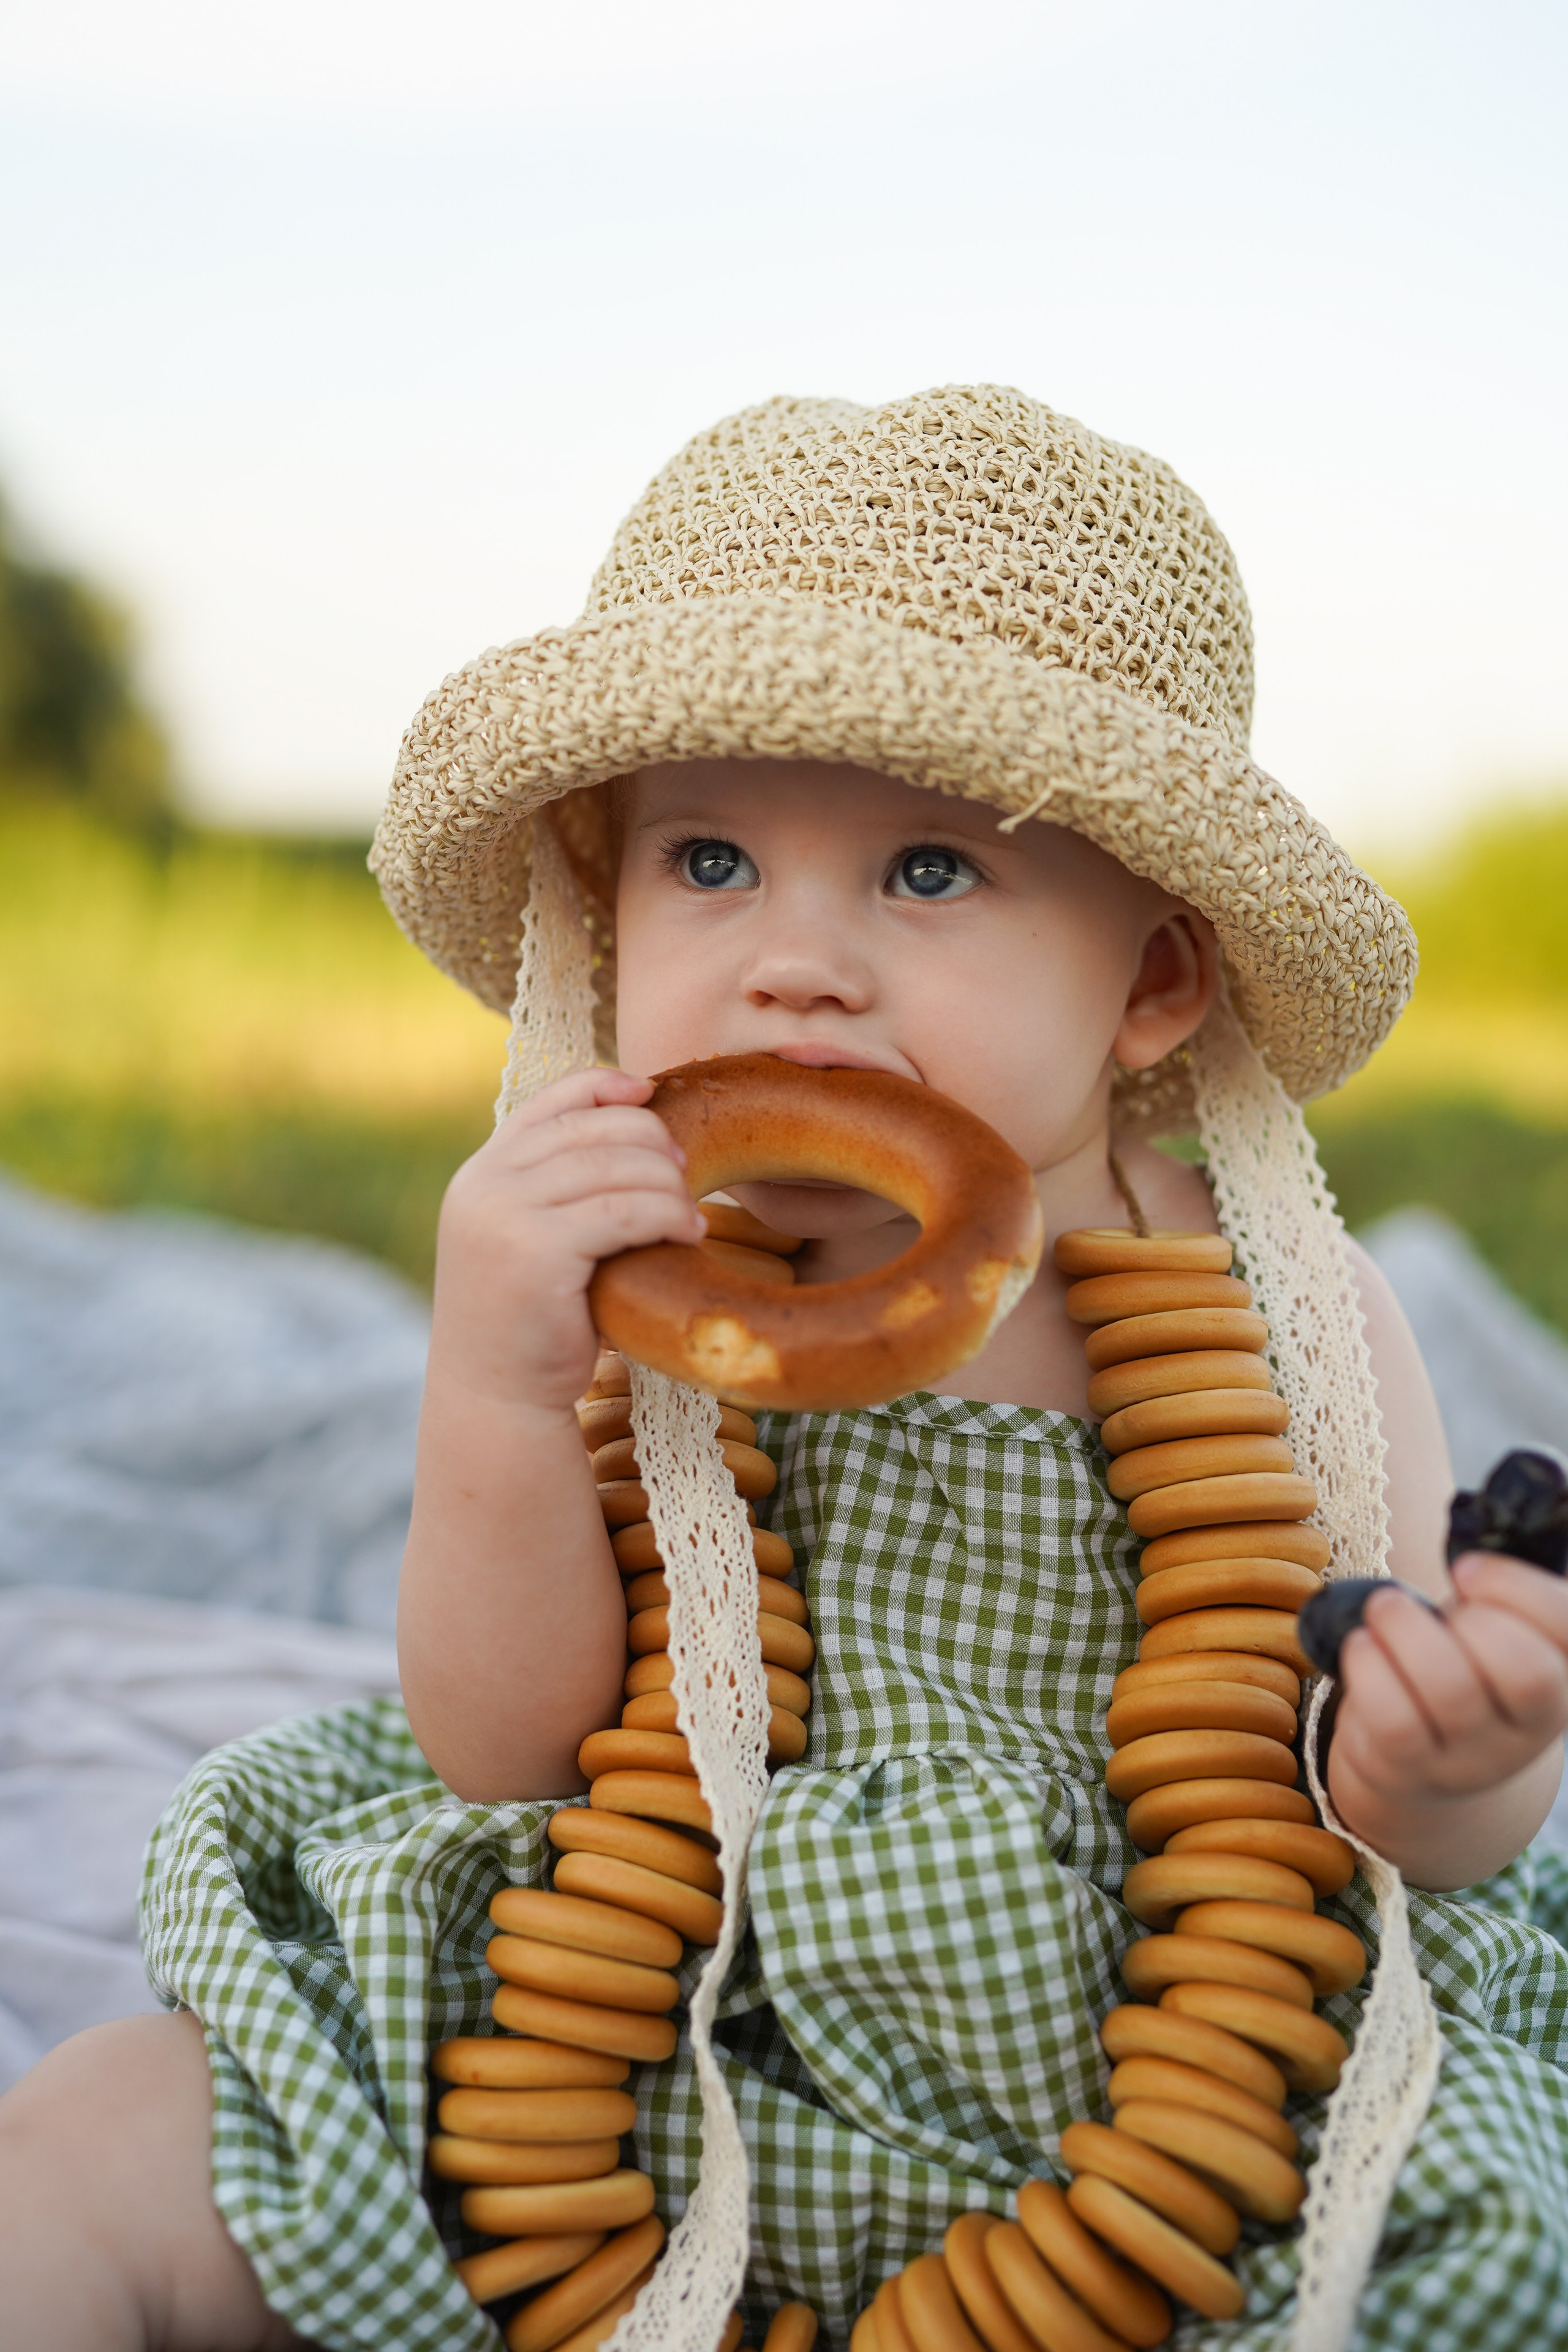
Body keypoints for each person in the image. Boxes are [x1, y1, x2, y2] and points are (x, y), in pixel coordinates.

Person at [4, 387, 1567, 2352]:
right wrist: (491, 1387)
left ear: (1154, 980)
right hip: (653, 2001)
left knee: (1474, 2259)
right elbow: (504, 1744)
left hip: (1149, 2046)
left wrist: (1458, 1759)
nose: (793, 961)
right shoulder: (638, 1273)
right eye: (712, 859)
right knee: (104, 2138)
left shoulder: (1280, 1302)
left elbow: (1392, 1791)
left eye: (930, 874)